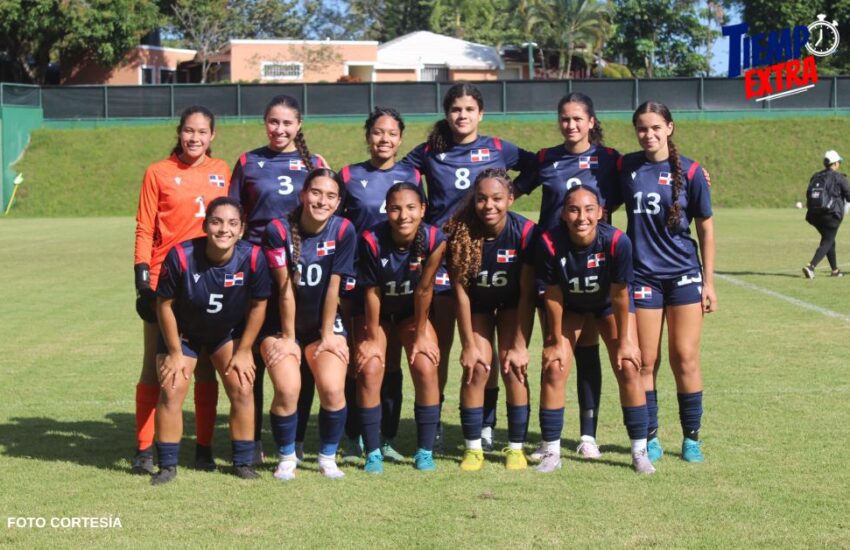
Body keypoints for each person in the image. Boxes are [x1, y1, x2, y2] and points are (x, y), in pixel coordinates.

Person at [402, 82, 536, 451]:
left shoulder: (497, 148)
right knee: (447, 346)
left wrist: (512, 195)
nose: (462, 116)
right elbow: (396, 178)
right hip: (446, 255)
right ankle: (437, 423)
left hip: (491, 248)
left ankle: (487, 425)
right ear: (447, 114)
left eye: (469, 109)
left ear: (481, 113)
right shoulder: (431, 151)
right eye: (455, 109)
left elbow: (538, 165)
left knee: (489, 347)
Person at [516, 92, 621, 461]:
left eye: (578, 118)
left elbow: (644, 175)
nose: (571, 125)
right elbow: (509, 189)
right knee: (556, 351)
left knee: (588, 351)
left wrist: (692, 170)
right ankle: (549, 439)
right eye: (565, 118)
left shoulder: (610, 160)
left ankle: (588, 436)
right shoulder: (547, 158)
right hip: (554, 270)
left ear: (591, 122)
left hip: (595, 266)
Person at [611, 100, 716, 463]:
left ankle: (691, 438)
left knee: (684, 357)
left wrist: (709, 281)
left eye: (656, 127)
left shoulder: (690, 171)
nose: (648, 134)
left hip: (684, 274)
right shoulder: (625, 166)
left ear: (669, 128)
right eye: (642, 128)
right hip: (642, 276)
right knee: (645, 361)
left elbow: (705, 226)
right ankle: (651, 436)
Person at [229, 94, 327, 464]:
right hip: (257, 269)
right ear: (264, 122)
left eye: (287, 123)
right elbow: (234, 215)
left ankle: (296, 438)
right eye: (273, 122)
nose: (280, 129)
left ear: (299, 125)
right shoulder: (248, 161)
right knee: (251, 352)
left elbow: (329, 209)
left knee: (297, 352)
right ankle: (251, 438)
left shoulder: (314, 163)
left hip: (301, 268)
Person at [132, 105, 230, 475]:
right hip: (165, 281)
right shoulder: (158, 172)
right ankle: (144, 449)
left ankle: (203, 449)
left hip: (209, 282)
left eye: (202, 132)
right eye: (189, 131)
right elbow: (144, 228)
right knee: (155, 367)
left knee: (203, 367)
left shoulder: (222, 171)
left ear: (212, 136)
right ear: (179, 132)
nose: (194, 138)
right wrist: (143, 282)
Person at [152, 196, 270, 485]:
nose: (223, 230)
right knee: (172, 386)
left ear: (242, 229)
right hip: (183, 335)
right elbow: (164, 304)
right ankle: (167, 466)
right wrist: (174, 351)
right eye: (216, 222)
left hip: (225, 333)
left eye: (232, 223)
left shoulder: (253, 257)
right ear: (205, 225)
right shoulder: (181, 256)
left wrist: (244, 351)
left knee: (243, 386)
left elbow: (259, 305)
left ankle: (242, 461)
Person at [536, 185, 653, 474]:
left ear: (601, 212)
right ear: (563, 214)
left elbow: (620, 295)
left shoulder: (616, 241)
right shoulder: (550, 242)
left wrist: (626, 340)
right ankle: (551, 450)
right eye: (574, 209)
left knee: (628, 365)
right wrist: (553, 338)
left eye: (589, 209)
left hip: (607, 305)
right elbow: (552, 294)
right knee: (554, 365)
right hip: (571, 306)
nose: (582, 217)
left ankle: (639, 451)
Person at [338, 108, 422, 463]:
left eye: (391, 133)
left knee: (391, 363)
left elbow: (421, 224)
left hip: (401, 282)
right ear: (367, 136)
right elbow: (337, 227)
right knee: (361, 361)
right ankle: (353, 434)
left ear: (400, 139)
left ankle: (386, 436)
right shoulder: (348, 175)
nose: (384, 139)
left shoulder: (413, 174)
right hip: (359, 281)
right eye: (377, 132)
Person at [260, 168, 356, 479]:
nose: (321, 200)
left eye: (330, 196)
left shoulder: (343, 230)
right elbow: (285, 287)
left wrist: (328, 334)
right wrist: (288, 337)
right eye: (315, 193)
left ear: (338, 202)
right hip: (280, 326)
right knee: (288, 390)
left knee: (331, 388)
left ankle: (327, 457)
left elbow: (334, 286)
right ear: (303, 195)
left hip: (322, 325)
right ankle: (287, 457)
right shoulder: (278, 230)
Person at [444, 169, 536, 471]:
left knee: (513, 366)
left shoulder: (524, 232)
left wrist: (521, 344)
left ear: (510, 198)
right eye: (482, 199)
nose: (489, 206)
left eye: (497, 198)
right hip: (478, 306)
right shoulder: (461, 232)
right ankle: (473, 448)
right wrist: (468, 344)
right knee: (478, 367)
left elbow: (526, 294)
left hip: (512, 305)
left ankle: (515, 447)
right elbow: (460, 293)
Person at [355, 182, 444, 473]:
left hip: (410, 313)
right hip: (378, 313)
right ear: (386, 210)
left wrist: (420, 334)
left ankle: (425, 451)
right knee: (370, 366)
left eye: (410, 208)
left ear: (422, 210)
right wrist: (370, 337)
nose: (403, 215)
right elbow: (372, 292)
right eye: (395, 208)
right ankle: (372, 452)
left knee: (425, 364)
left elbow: (425, 289)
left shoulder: (435, 239)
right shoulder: (370, 239)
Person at [803, 150, 850, 278]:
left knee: (830, 240)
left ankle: (835, 270)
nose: (839, 164)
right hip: (831, 215)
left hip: (814, 216)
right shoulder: (839, 177)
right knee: (828, 240)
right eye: (838, 162)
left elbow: (808, 194)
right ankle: (811, 266)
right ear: (834, 164)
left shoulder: (816, 176)